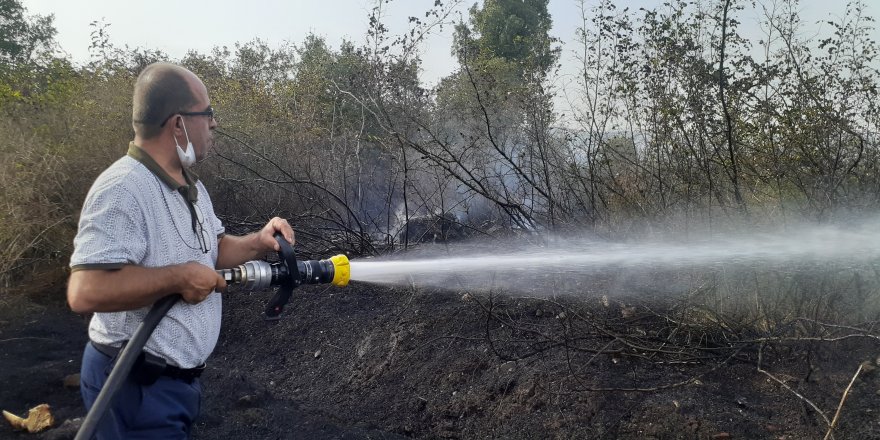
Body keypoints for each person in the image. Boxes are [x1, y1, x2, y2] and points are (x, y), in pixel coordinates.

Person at [66, 62, 294, 439]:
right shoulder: (124, 188)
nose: (214, 124)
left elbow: (213, 251)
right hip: (133, 386)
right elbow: (86, 290)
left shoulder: (189, 185)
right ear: (178, 124)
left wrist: (257, 242)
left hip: (171, 386)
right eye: (207, 114)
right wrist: (177, 277)